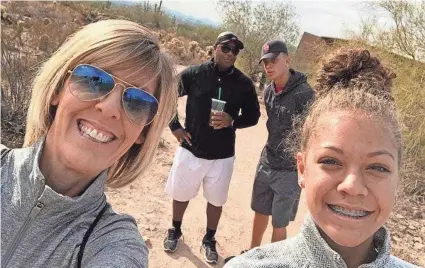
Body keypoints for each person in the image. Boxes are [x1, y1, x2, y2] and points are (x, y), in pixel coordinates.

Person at [1, 20, 177, 268]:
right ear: (57, 90)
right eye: (93, 79)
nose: (109, 108)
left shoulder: (114, 243)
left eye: (137, 101)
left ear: (144, 132)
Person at [224, 48, 418, 267]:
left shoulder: (302, 93)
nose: (353, 187)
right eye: (331, 161)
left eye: (378, 167)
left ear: (398, 180)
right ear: (302, 168)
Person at [163, 31, 261, 264]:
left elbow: (254, 116)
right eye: (226, 48)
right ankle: (175, 230)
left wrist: (232, 120)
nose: (230, 54)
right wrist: (174, 126)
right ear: (215, 48)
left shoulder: (243, 83)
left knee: (216, 200)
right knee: (180, 193)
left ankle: (209, 238)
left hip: (222, 155)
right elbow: (168, 94)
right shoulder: (195, 74)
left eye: (235, 51)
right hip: (191, 148)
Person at [249, 40, 314, 250]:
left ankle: (273, 262)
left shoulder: (305, 94)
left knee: (279, 222)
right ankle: (251, 254)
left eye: (273, 60)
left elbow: (311, 134)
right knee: (260, 211)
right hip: (267, 162)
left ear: (287, 60)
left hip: (289, 170)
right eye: (265, 62)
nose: (268, 66)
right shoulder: (268, 91)